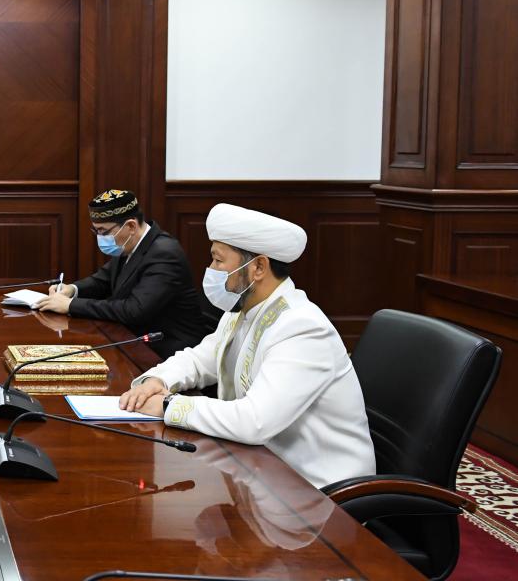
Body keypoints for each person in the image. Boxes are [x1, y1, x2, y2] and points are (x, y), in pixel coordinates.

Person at [118, 203, 375, 488]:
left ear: (258, 267)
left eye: (218, 261)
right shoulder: (245, 310)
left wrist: (169, 406)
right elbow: (200, 359)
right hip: (264, 470)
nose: (211, 270)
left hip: (319, 491)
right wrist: (158, 380)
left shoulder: (302, 327)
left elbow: (255, 421)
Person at [33, 188, 217, 358]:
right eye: (96, 231)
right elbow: (103, 280)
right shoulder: (132, 244)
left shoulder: (164, 253)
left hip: (167, 351)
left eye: (103, 231)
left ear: (130, 226)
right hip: (133, 339)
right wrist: (72, 289)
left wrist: (71, 305)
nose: (100, 237)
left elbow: (134, 310)